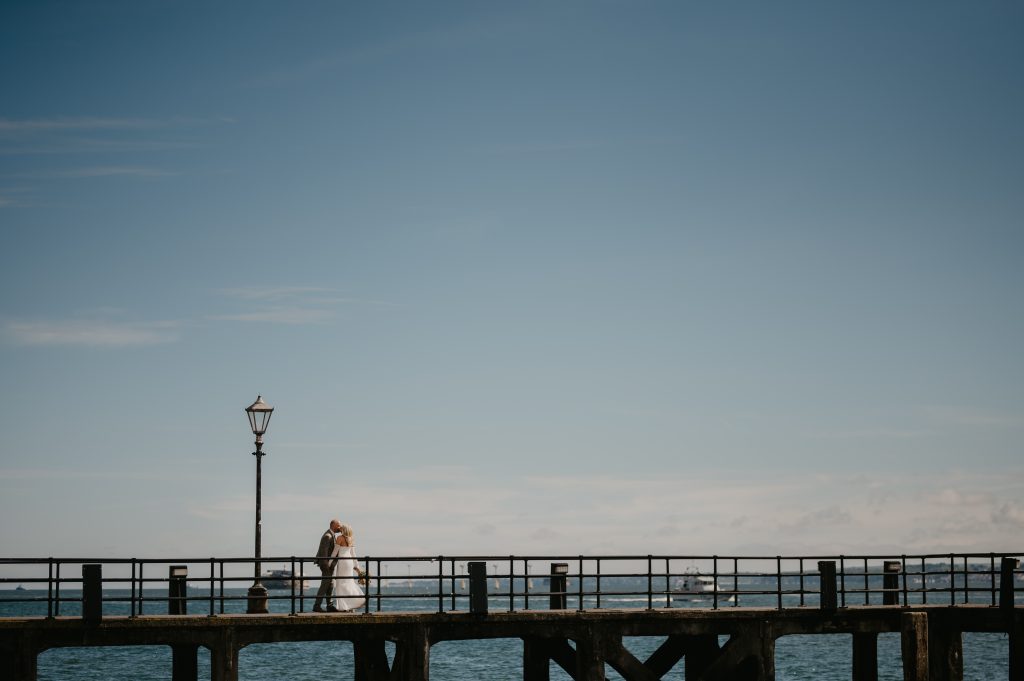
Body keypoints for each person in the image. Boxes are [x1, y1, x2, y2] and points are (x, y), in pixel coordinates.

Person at [331, 523, 366, 612]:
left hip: (342, 561)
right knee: (349, 581)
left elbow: (335, 552)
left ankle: (343, 606)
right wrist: (357, 566)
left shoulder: (340, 538)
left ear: (343, 530)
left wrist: (329, 562)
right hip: (349, 561)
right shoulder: (351, 539)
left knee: (340, 582)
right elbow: (354, 555)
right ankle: (355, 601)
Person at [313, 519, 342, 613]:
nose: (340, 527)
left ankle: (329, 605)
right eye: (338, 526)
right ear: (333, 525)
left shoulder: (332, 535)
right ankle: (317, 605)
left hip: (329, 565)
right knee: (325, 584)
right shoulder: (328, 536)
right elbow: (324, 552)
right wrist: (326, 565)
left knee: (330, 584)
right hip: (326, 565)